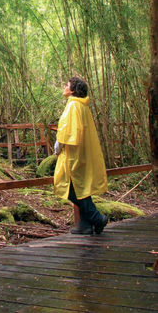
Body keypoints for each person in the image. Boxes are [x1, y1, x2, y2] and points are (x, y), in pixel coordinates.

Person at [53, 76, 108, 235]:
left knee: (71, 188)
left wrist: (58, 146)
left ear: (73, 90)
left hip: (73, 154)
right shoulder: (82, 106)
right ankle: (85, 226)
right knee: (81, 187)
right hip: (83, 153)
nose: (64, 86)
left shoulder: (73, 106)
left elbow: (67, 131)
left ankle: (97, 218)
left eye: (67, 85)